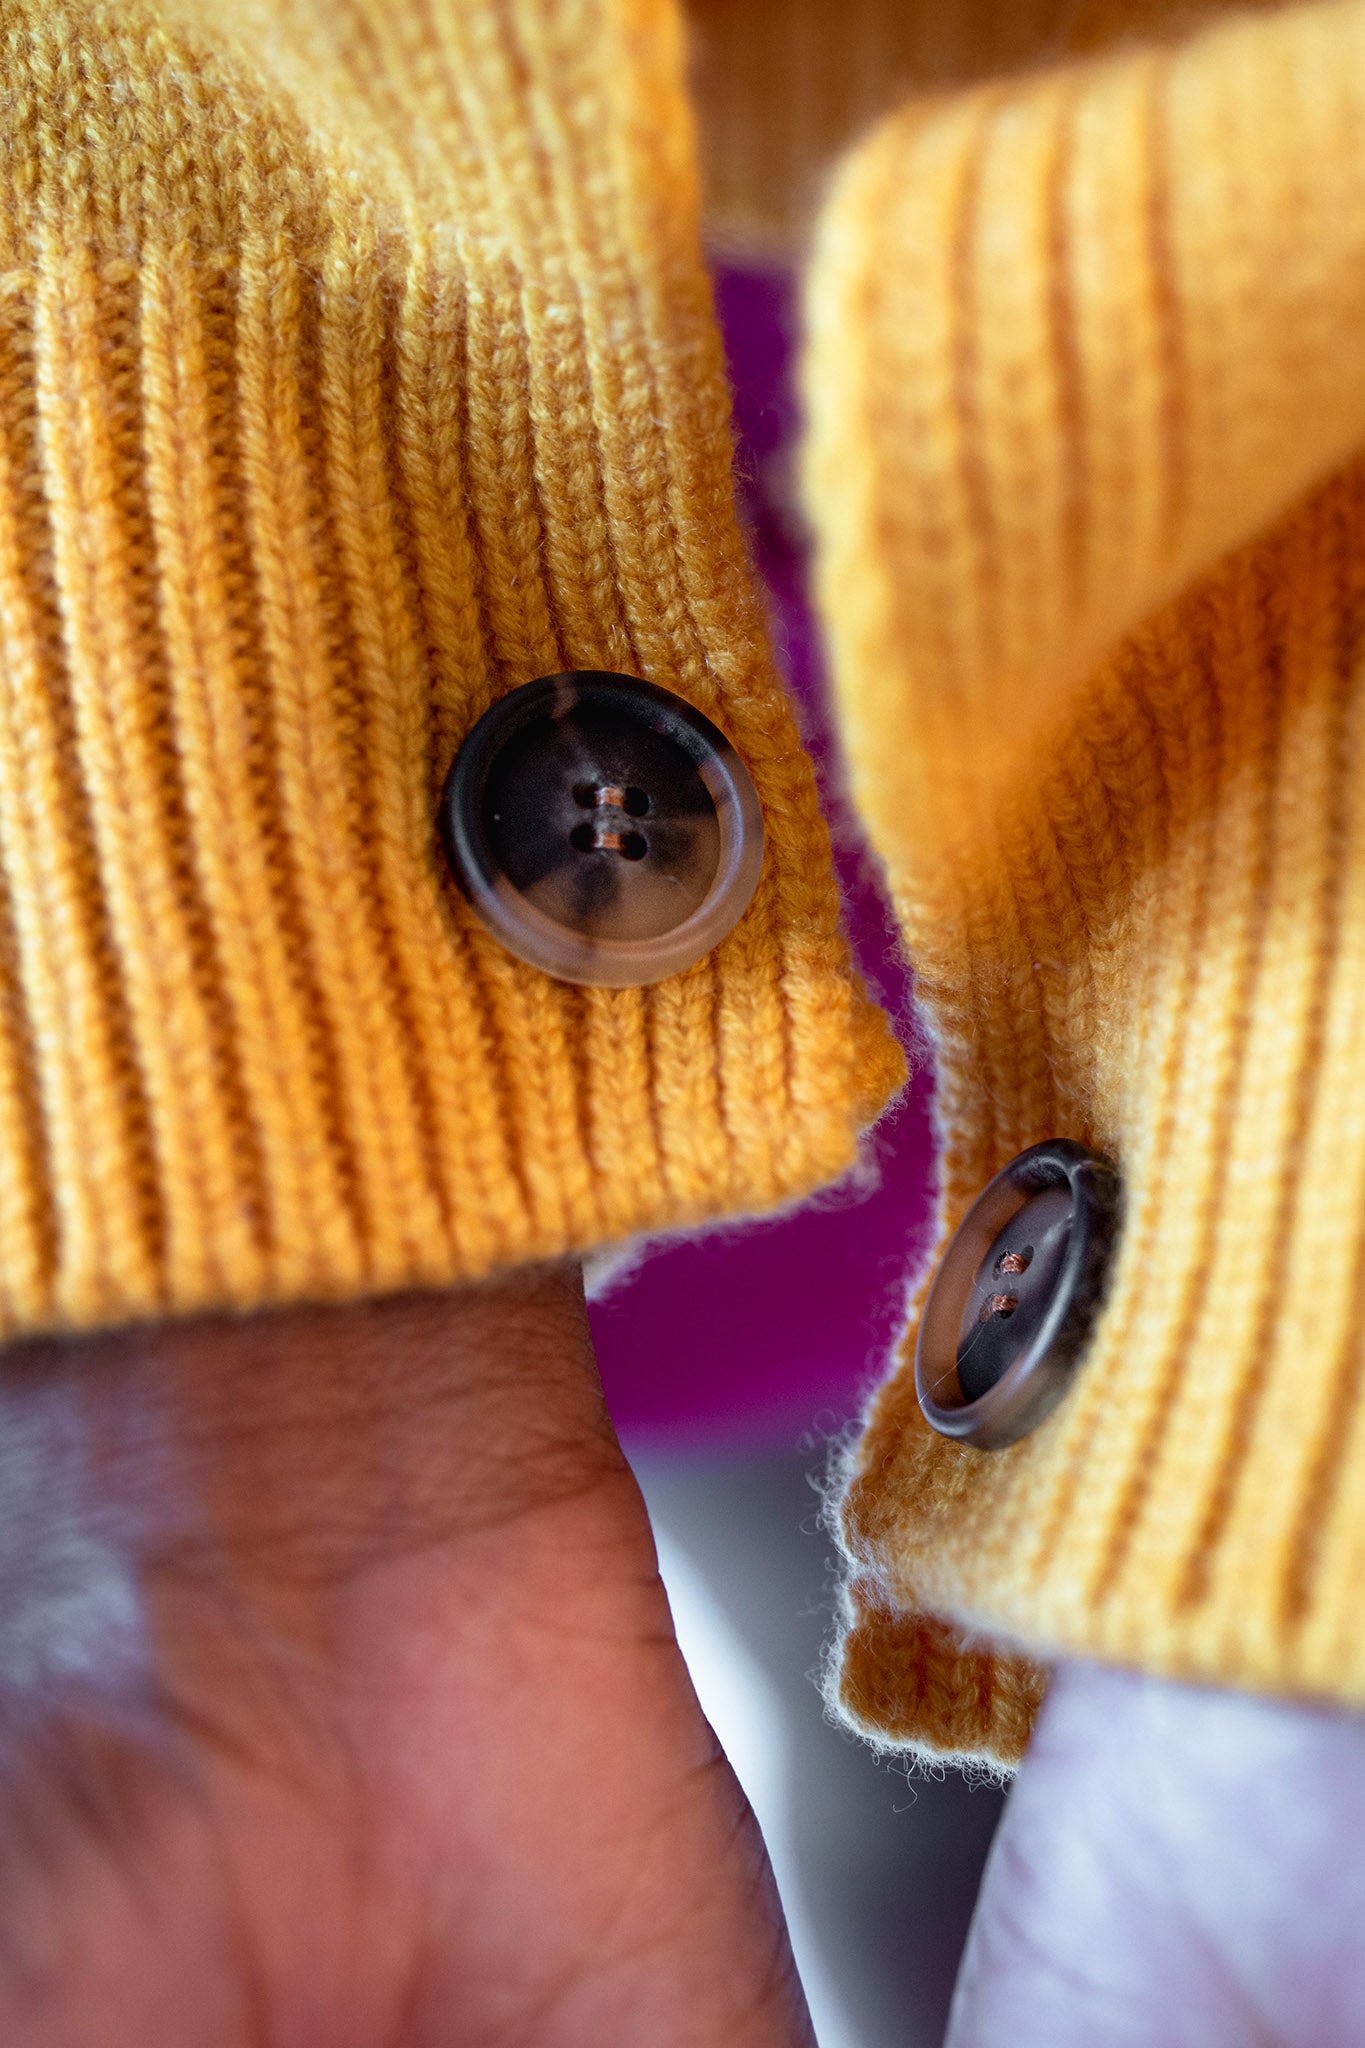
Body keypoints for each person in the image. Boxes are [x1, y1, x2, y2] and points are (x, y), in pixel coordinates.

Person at [2, 0, 1365, 2040]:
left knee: (943, 1787)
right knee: (773, 1723)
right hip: (462, 1231)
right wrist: (199, 1294)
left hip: (1222, 972)